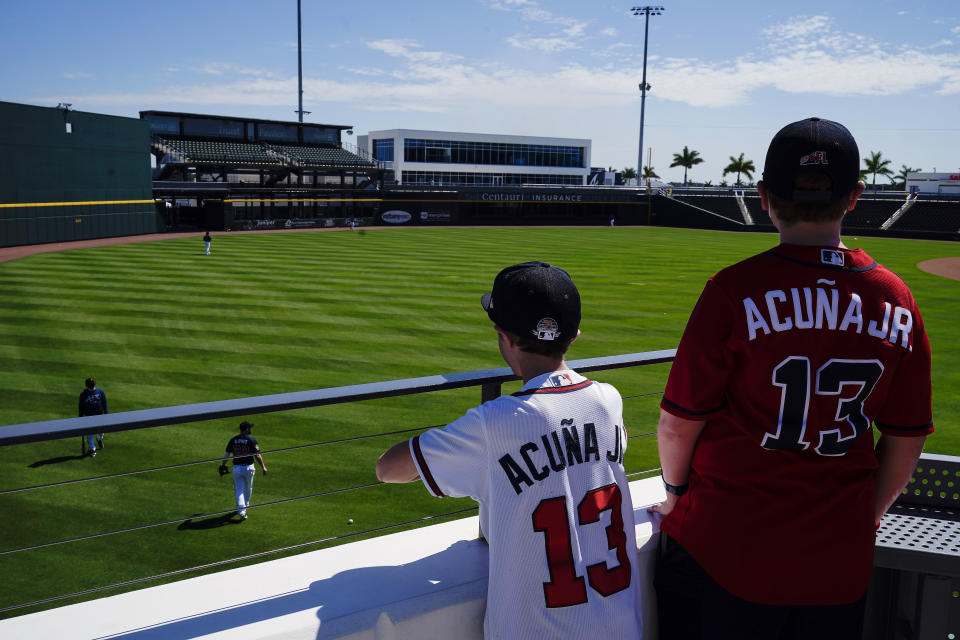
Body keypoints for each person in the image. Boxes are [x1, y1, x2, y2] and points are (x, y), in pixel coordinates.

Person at [650, 117, 933, 639]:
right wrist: (863, 514)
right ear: (855, 196)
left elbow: (676, 424)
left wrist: (674, 492)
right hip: (836, 559)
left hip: (725, 547)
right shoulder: (896, 298)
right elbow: (906, 438)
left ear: (763, 196)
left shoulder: (733, 289)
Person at [377, 261, 642, 640]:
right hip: (620, 626)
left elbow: (389, 468)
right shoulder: (608, 402)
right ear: (575, 334)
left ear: (504, 337)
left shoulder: (494, 423)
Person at [221, 421, 268, 520]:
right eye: (249, 428)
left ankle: (242, 510)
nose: (250, 429)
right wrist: (263, 467)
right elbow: (257, 455)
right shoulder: (251, 440)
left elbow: (226, 454)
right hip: (248, 468)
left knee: (239, 490)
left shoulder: (233, 440)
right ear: (246, 429)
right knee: (248, 488)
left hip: (237, 468)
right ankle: (243, 509)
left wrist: (223, 465)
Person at [78, 377, 107, 457]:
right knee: (90, 433)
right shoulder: (83, 394)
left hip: (99, 415)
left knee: (102, 431)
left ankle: (98, 438)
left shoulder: (100, 391)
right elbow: (80, 406)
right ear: (87, 385)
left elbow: (104, 403)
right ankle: (92, 449)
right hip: (88, 416)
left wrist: (107, 414)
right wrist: (80, 415)